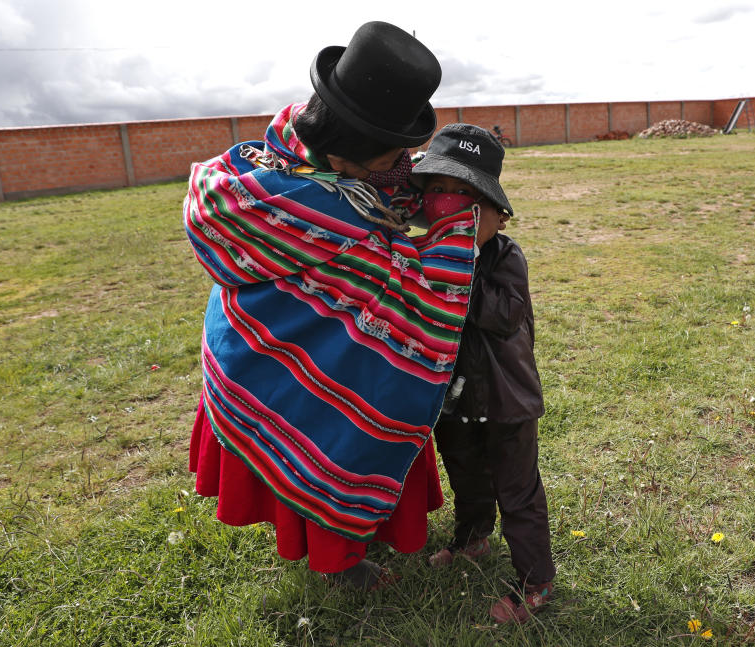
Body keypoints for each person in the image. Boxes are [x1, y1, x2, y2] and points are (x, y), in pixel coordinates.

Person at [183, 22, 479, 591]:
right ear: (349, 156)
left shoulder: (270, 161)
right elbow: (417, 294)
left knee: (318, 425)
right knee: (341, 432)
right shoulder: (336, 218)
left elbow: (382, 192)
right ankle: (340, 559)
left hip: (250, 355)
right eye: (396, 154)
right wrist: (454, 222)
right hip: (296, 368)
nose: (404, 165)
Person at [410, 124, 556, 624]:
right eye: (437, 191)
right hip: (453, 397)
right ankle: (472, 536)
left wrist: (461, 264)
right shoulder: (420, 256)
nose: (449, 204)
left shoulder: (504, 256)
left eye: (466, 198)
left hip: (506, 401)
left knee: (517, 493)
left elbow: (504, 316)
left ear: (496, 213)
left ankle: (536, 582)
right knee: (467, 476)